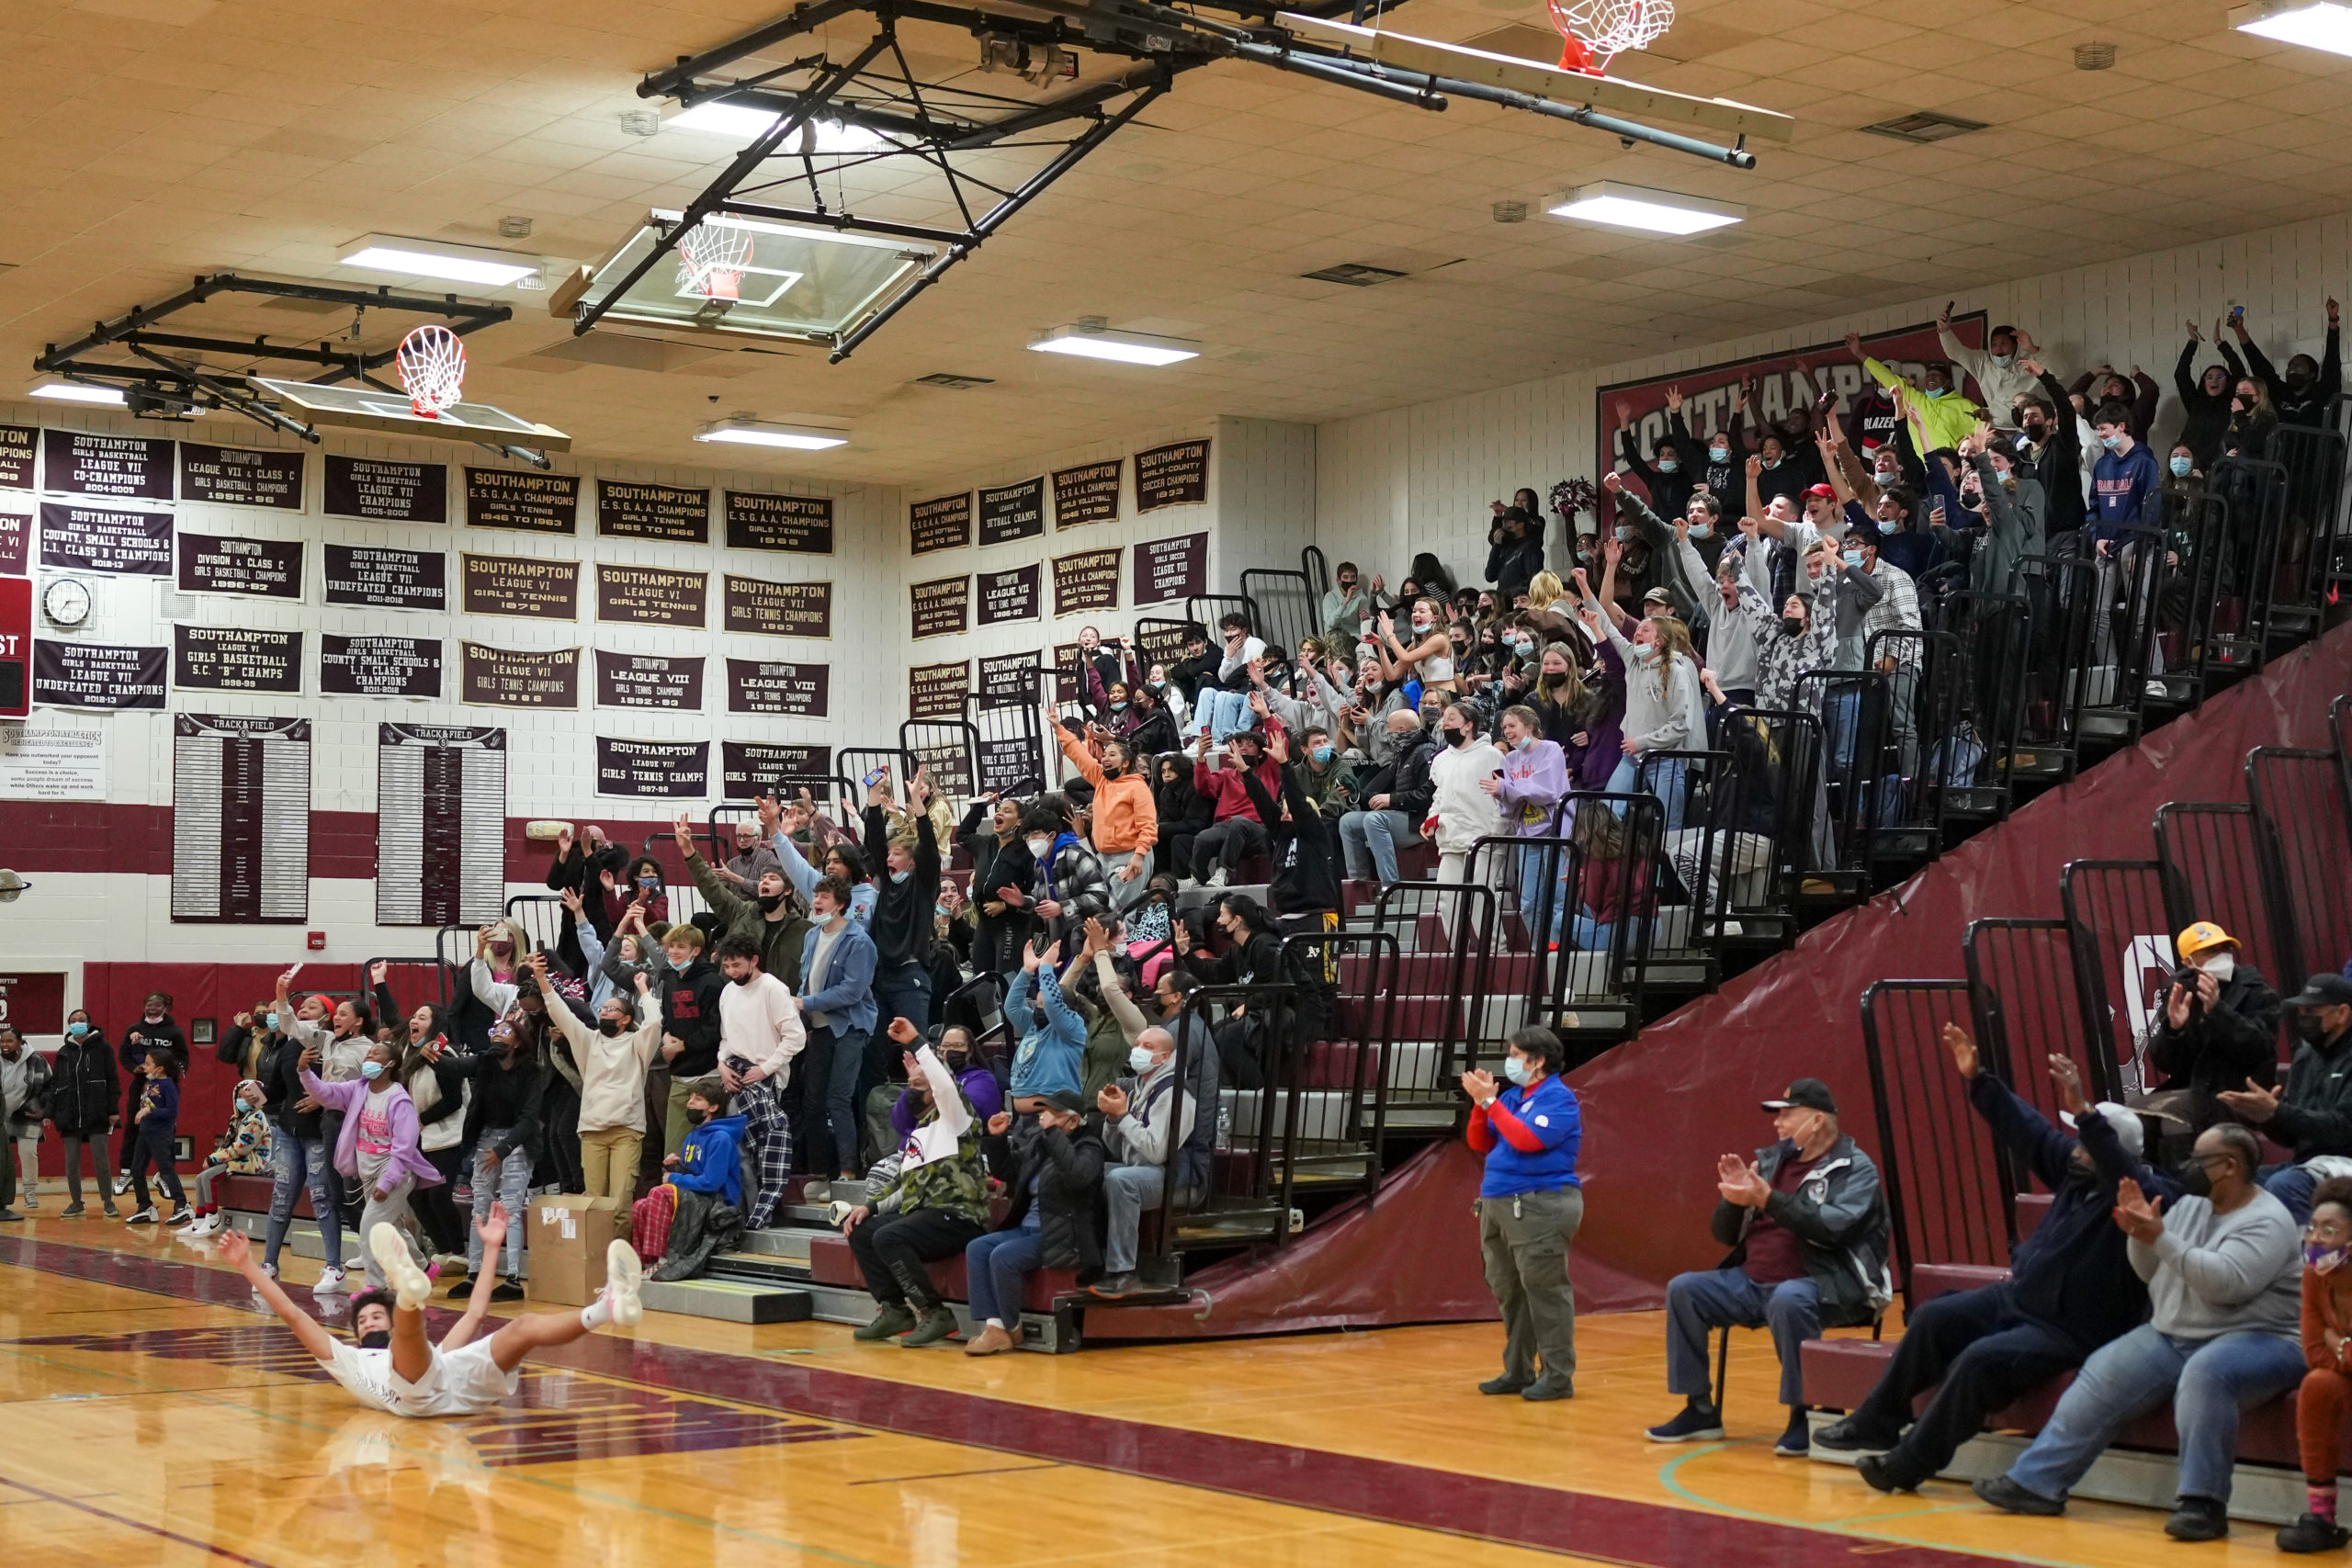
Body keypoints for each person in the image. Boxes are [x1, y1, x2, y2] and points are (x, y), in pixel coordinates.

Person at [1820, 1026, 2156, 1493]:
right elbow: (2029, 1130)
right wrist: (1979, 1079)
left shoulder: (2146, 1195)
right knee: (1935, 1316)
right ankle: (1879, 1419)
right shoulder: (2079, 1172)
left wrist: (2086, 1111)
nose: (2072, 1147)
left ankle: (1912, 1461)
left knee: (1981, 1359)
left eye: (2084, 1140)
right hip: (2019, 1298)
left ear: (2108, 1150)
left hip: (2070, 1330)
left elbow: (2115, 1163)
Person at [1973, 1122, 2301, 1540]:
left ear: (2231, 1166)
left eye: (2199, 1159)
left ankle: (2204, 1505)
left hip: (2261, 1337)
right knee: (2104, 1368)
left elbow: (2225, 1286)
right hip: (2177, 1333)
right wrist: (2139, 1235)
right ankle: (2037, 1483)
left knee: (2207, 1375)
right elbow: (2150, 1271)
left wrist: (2161, 1237)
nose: (2187, 1166)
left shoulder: (2267, 1220)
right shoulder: (2189, 1206)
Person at [1645, 1077, 1889, 1458]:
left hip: (1829, 1285)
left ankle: (1804, 1414)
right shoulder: (1773, 1162)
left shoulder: (1855, 1169)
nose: (1778, 1123)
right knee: (1685, 1289)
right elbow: (1725, 1236)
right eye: (1778, 1115)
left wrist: (1768, 1198)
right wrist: (1735, 1199)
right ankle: (1700, 1410)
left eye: (1787, 1115)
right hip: (1753, 1283)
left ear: (1818, 1120)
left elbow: (1832, 1231)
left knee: (1789, 1298)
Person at [217, 1207, 641, 1418]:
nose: (367, 1323)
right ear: (358, 1337)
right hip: (408, 1394)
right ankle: (407, 1292)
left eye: (373, 1316)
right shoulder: (348, 1359)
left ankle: (608, 1306)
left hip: (457, 1387)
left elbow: (476, 1312)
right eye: (363, 1322)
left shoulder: (434, 1353)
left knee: (524, 1328)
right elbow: (292, 1313)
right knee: (410, 1340)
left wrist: (492, 1246)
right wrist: (247, 1266)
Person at [1460, 1026, 1583, 1401]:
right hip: (1498, 1203)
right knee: (1510, 1291)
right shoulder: (1513, 1097)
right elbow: (1479, 1142)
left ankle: (1558, 1376)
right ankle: (1518, 1370)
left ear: (1538, 1060)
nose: (1509, 1062)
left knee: (1545, 1291)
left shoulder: (1558, 1099)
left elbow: (1528, 1140)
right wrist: (1483, 1106)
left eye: (1515, 1055)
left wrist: (1490, 1102)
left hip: (1539, 1203)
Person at [842, 1036, 988, 1348]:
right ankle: (895, 1309)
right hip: (925, 1216)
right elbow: (900, 1184)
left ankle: (935, 1312)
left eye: (919, 1087)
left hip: (958, 1215)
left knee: (889, 1237)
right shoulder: (921, 1131)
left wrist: (919, 1045)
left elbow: (948, 1089)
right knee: (862, 1229)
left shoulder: (957, 1119)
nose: (913, 1091)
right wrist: (870, 1207)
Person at [964, 1089, 1108, 1355]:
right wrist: (996, 1140)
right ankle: (994, 1328)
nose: (1043, 1117)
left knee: (1003, 1256)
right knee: (977, 1248)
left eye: (1051, 1113)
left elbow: (1076, 1175)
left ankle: (1013, 1329)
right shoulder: (1040, 1144)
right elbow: (1008, 1171)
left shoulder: (1090, 1148)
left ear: (1073, 1121)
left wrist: (1053, 1135)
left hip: (1063, 1235)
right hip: (1026, 1228)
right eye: (1043, 1112)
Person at [299, 1036, 442, 1291]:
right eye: (368, 1054)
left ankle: (375, 1287)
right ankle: (424, 1267)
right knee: (393, 1225)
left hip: (396, 1172)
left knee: (370, 1227)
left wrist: (388, 1183)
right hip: (368, 1169)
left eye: (375, 1055)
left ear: (390, 1065)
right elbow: (324, 1093)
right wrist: (304, 1071)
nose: (369, 1058)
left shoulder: (399, 1100)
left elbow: (404, 1148)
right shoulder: (358, 1089)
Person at [536, 955, 662, 1242]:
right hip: (592, 1131)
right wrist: (542, 979)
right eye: (603, 1008)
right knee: (593, 1203)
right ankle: (593, 1262)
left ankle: (618, 1262)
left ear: (626, 1019)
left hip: (626, 1132)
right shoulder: (588, 1040)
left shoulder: (637, 1042)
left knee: (619, 1204)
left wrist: (644, 991)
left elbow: (654, 1023)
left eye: (612, 1009)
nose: (604, 1012)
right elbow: (561, 1013)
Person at [2218, 972, 2352, 1225]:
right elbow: (2291, 1137)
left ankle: (2311, 1261)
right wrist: (2263, 1117)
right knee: (2240, 1184)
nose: (2304, 1019)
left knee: (2285, 1185)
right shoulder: (2306, 1056)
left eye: (2313, 1011)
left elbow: (2343, 1128)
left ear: (2342, 1014)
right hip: (2308, 1162)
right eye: (2302, 1012)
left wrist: (2279, 1112)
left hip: (2345, 1158)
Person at [1089, 1023, 1209, 1300]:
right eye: (1137, 1045)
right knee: (1090, 1170)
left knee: (1121, 1181)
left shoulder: (1175, 1092)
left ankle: (1124, 1274)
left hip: (1177, 1179)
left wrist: (1123, 1117)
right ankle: (1090, 1258)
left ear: (1166, 1057)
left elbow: (1157, 1153)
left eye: (1148, 1047)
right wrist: (1112, 1117)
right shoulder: (1138, 1088)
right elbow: (1117, 1149)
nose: (1138, 1051)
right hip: (1143, 1170)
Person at [2143, 919, 2282, 1138]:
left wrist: (2217, 1011)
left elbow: (2258, 1048)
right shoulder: (2181, 992)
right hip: (2198, 1089)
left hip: (2240, 1091)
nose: (2221, 955)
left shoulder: (2255, 989)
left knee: (2179, 1125)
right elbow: (2164, 1063)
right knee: (2133, 1116)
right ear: (2189, 962)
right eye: (2210, 951)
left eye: (2224, 948)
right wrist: (2174, 1030)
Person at [444, 1009, 546, 1302]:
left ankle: (513, 1278)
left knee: (511, 1208)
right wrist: (431, 1056)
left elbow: (528, 1119)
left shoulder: (531, 1070)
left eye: (504, 1031)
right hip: (486, 1137)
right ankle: (474, 1274)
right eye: (494, 1031)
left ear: (517, 1041)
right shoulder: (486, 1061)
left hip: (517, 1142)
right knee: (480, 1207)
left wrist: (502, 1150)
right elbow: (455, 1068)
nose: (497, 1035)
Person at [709, 931, 806, 1230]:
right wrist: (721, 1064)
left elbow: (796, 1038)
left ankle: (761, 1215)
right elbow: (726, 1039)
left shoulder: (773, 989)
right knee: (739, 1154)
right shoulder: (727, 992)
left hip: (765, 1080)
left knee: (763, 1151)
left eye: (737, 965)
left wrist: (766, 1069)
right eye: (727, 966)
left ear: (754, 960)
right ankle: (744, 1213)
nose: (731, 972)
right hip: (733, 1076)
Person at [2278, 1176, 2352, 1551]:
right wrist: (2343, 1349)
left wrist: (2337, 1344)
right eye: (2312, 1228)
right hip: (2345, 1376)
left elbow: (2328, 1346)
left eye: (2329, 1230)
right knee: (2317, 1384)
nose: (2315, 1239)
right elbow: (2312, 1351)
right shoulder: (2314, 1274)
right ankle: (2322, 1519)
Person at [798, 873, 878, 1201]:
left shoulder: (859, 941)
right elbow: (805, 978)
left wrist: (807, 1003)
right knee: (812, 1100)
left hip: (849, 1027)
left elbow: (852, 990)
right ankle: (820, 1172)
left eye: (824, 898)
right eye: (816, 896)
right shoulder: (811, 935)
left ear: (841, 904)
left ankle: (848, 1171)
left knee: (838, 1098)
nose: (817, 902)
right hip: (818, 1027)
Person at [259, 1004, 345, 1293]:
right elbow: (276, 1090)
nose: (305, 1010)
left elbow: (349, 1086)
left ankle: (334, 1266)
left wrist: (322, 1098)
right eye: (302, 1006)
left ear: (326, 1016)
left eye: (313, 1007)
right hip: (287, 1130)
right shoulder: (289, 1045)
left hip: (319, 1131)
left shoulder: (331, 1044)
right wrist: (255, 1095)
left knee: (322, 1197)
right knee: (281, 1198)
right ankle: (269, 1265)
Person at [630, 1075, 749, 1277]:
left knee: (660, 1193)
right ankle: (643, 1262)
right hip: (696, 1198)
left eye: (697, 1099)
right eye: (690, 1097)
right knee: (641, 1205)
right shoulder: (692, 1136)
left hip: (718, 1205)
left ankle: (663, 1260)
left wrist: (673, 1178)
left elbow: (712, 1182)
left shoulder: (721, 1138)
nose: (690, 1103)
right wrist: (676, 1166)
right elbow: (692, 1175)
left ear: (712, 1107)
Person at [1052, 713, 1158, 912]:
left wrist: (1139, 854)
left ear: (1125, 763)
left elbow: (1148, 825)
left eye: (1112, 755)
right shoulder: (1101, 779)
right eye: (1104, 754)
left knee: (1118, 915)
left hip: (1131, 855)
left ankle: (1120, 945)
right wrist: (1059, 728)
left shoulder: (1137, 787)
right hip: (1103, 857)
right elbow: (1078, 754)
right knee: (1099, 912)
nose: (1105, 758)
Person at [1338, 709, 1438, 886]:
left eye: (1389, 730)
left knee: (1374, 819)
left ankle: (1390, 885)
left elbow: (1427, 797)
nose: (1387, 734)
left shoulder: (1426, 753)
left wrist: (1392, 799)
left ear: (1400, 729)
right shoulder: (1402, 755)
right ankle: (1360, 885)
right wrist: (1357, 794)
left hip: (1421, 822)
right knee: (1348, 822)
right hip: (1401, 817)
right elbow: (1379, 792)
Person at [656, 921, 729, 1156]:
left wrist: (683, 1045)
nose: (674, 952)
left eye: (681, 947)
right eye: (672, 946)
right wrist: (666, 1038)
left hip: (708, 1075)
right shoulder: (669, 980)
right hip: (679, 1075)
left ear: (696, 951)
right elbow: (666, 1018)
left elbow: (715, 1028)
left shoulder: (712, 982)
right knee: (673, 1152)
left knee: (705, 1151)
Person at [176, 1077, 272, 1239]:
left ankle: (213, 1217)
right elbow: (227, 1144)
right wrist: (214, 1157)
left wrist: (213, 1159)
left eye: (246, 1097)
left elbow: (240, 1149)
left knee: (208, 1176)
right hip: (239, 1159)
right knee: (200, 1177)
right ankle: (200, 1218)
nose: (241, 1100)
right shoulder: (237, 1119)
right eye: (239, 1097)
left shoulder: (256, 1119)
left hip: (251, 1162)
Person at [48, 1010, 119, 1218]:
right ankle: (76, 1203)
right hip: (69, 1115)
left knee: (101, 1160)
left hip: (97, 1113)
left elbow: (112, 1079)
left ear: (89, 1023)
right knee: (71, 1163)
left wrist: (113, 1110)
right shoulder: (63, 1051)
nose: (76, 1023)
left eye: (81, 1020)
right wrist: (49, 1112)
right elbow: (56, 1083)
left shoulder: (103, 1048)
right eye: (72, 1021)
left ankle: (108, 1202)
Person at [1188, 728, 1280, 887]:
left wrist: (1265, 715)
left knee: (1238, 822)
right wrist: (1201, 756)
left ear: (1260, 753)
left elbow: (1278, 743)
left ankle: (1223, 873)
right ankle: (1198, 879)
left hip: (1259, 829)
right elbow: (1204, 788)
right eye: (1239, 745)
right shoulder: (1226, 774)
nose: (1243, 748)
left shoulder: (1269, 771)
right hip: (1225, 826)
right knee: (1203, 838)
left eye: (1249, 745)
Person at [113, 991, 187, 1189]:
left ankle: (165, 1173)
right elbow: (124, 1055)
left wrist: (175, 1074)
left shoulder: (175, 1032)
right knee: (133, 1127)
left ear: (166, 1008)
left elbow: (182, 1058)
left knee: (167, 1129)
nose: (152, 1009)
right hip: (140, 1085)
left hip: (164, 1085)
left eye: (157, 1006)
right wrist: (134, 1068)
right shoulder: (134, 1029)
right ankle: (126, 1172)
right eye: (149, 1005)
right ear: (143, 1006)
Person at [1006, 938, 1086, 1109]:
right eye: (1038, 1004)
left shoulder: (1072, 1027)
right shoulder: (1034, 1026)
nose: (1040, 1008)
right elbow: (1012, 1008)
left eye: (1044, 1005)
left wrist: (1045, 968)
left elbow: (1052, 1003)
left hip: (1056, 1116)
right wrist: (1027, 971)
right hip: (1025, 1120)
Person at [123, 1046, 189, 1227]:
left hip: (161, 1133)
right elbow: (136, 1055)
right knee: (136, 1170)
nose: (144, 1066)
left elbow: (171, 1111)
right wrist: (135, 1044)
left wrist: (148, 1110)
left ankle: (182, 1204)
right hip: (145, 1132)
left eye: (148, 1064)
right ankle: (145, 1206)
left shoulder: (168, 1085)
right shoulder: (150, 1081)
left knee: (165, 1168)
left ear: (160, 1068)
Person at [0, 1025, 51, 1218]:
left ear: (20, 1042)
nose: (5, 1045)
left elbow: (49, 1086)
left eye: (9, 1041)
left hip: (27, 1114)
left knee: (28, 1153)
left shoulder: (37, 1060)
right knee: (2, 1158)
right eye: (2, 1041)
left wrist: (44, 1110)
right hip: (1, 1115)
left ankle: (30, 1192)